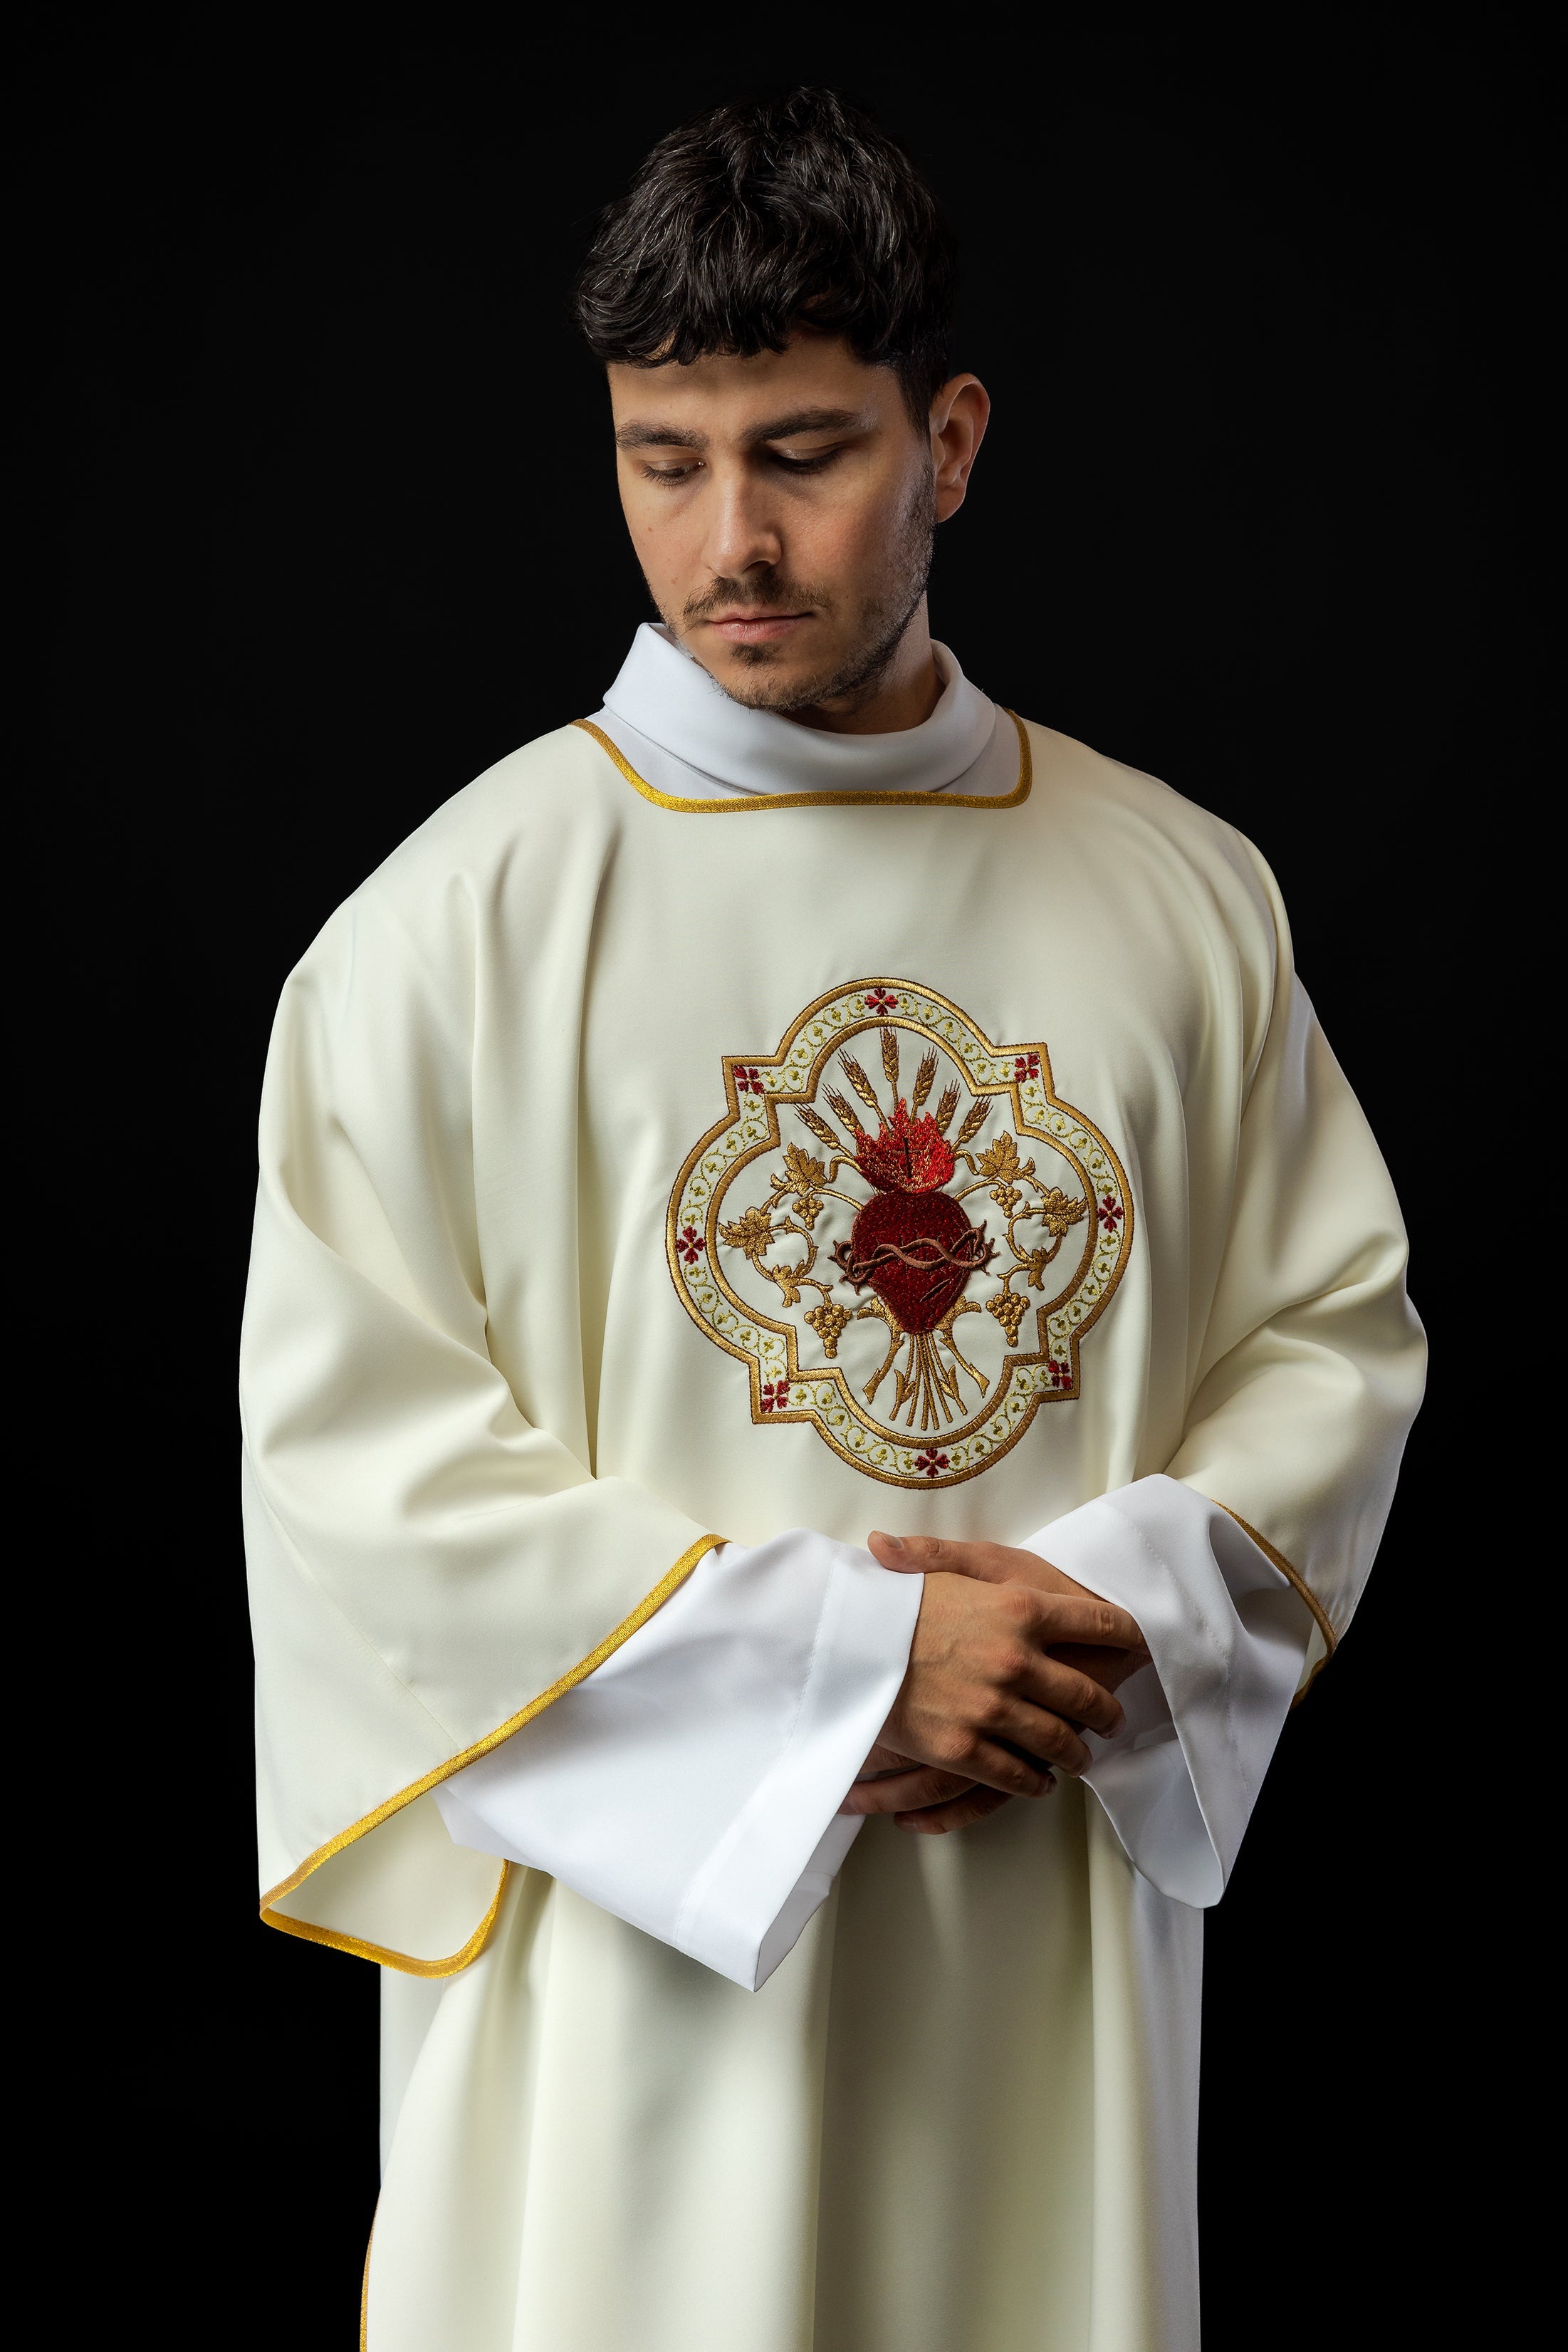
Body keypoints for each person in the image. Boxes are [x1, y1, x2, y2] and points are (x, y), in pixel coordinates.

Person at [242, 87, 1424, 2351]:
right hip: (646, 1964)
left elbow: (1329, 1336)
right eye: (658, 457)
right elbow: (355, 1477)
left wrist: (1093, 1625)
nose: (726, 543)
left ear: (950, 438)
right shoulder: (450, 930)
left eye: (801, 451)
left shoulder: (1177, 895)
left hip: (1041, 1889)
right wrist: (845, 1668)